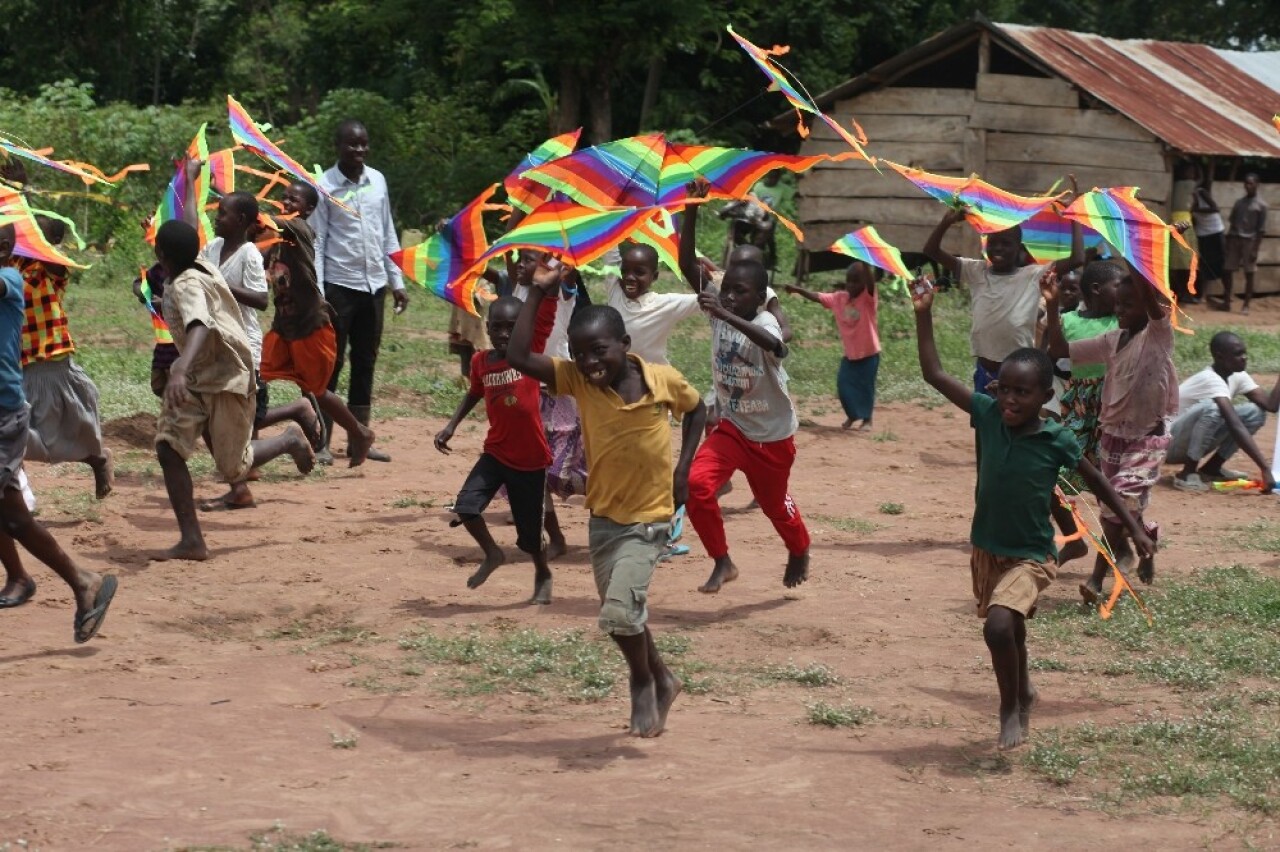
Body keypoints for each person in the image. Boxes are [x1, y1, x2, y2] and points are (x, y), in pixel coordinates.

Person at [912, 275, 1153, 749]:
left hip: (1031, 554)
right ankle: (1022, 688)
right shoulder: (985, 413)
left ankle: (1009, 708)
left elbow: (1100, 481)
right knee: (1012, 629)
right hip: (988, 550)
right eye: (1004, 390)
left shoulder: (1055, 437)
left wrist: (1135, 530)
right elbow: (934, 374)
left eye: (1022, 393)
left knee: (998, 625)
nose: (1009, 400)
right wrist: (923, 313)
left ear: (1045, 397)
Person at [506, 259, 706, 738]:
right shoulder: (576, 379)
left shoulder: (662, 380)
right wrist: (537, 291)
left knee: (619, 610)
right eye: (579, 354)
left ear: (625, 346)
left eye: (599, 351)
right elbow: (518, 357)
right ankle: (664, 677)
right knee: (623, 616)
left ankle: (641, 682)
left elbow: (699, 410)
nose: (590, 362)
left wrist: (684, 469)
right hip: (603, 521)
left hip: (651, 519)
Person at [924, 196, 1088, 564]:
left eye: (1006, 243)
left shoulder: (1033, 275)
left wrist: (1073, 215)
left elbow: (1077, 259)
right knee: (989, 460)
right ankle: (990, 526)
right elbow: (930, 249)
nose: (997, 249)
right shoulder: (975, 271)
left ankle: (1070, 534)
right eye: (992, 243)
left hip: (1023, 381)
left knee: (1032, 461)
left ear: (1020, 249)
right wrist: (949, 221)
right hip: (986, 376)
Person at [151, 220, 315, 561]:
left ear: (160, 254)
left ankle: (288, 440)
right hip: (197, 380)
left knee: (234, 468)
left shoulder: (186, 284)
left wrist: (180, 366)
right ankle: (192, 540)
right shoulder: (201, 261)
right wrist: (192, 177)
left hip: (226, 378)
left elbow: (199, 324)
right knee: (168, 448)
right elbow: (191, 223)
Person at [0, 222, 118, 641]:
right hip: (11, 397)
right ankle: (27, 578)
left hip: (16, 401)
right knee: (8, 512)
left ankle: (82, 582)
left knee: (14, 515)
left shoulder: (11, 279)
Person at [1044, 267, 1176, 601]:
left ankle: (1096, 580)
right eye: (1117, 305)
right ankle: (1144, 542)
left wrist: (1138, 255)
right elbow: (1059, 349)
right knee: (1116, 506)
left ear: (1148, 307)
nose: (1119, 311)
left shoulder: (1157, 336)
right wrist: (1051, 306)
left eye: (1128, 305)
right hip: (1111, 435)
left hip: (1147, 437)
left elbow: (1150, 297)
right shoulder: (1112, 340)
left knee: (1118, 505)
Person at [686, 260, 810, 594]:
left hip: (772, 439)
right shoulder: (719, 311)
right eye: (725, 290)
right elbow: (687, 265)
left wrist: (726, 315)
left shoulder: (766, 322)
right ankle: (722, 560)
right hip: (733, 427)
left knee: (774, 506)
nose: (727, 297)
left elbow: (775, 345)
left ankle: (799, 547)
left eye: (738, 291)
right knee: (696, 485)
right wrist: (692, 208)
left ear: (759, 297)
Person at [434, 293, 558, 603]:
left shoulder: (529, 356)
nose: (504, 335)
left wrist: (550, 288)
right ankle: (492, 553)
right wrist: (451, 425)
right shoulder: (480, 362)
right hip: (496, 453)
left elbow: (545, 319)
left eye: (512, 329)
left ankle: (542, 572)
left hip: (530, 460)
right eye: (498, 328)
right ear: (487, 328)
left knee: (530, 537)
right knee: (466, 506)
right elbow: (474, 393)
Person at [255, 181, 374, 474]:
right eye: (283, 197)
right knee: (255, 380)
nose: (286, 201)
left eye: (293, 199)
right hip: (283, 327)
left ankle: (359, 431)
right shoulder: (277, 243)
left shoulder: (301, 231)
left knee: (317, 390)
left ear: (308, 209)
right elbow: (257, 260)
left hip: (311, 326)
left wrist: (249, 211)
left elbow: (273, 221)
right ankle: (249, 460)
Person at [312, 120, 407, 463]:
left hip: (374, 286)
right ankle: (322, 441)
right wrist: (320, 293)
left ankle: (358, 439)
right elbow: (318, 241)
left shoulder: (377, 180)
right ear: (338, 146)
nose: (360, 151)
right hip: (339, 286)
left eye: (364, 144)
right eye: (353, 145)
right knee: (331, 363)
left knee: (366, 360)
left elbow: (387, 233)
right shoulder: (324, 186)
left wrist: (397, 282)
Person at [16, 216, 113, 498]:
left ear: (52, 244)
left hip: (48, 365)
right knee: (12, 436)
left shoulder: (50, 268)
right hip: (15, 365)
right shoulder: (11, 263)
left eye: (37, 232)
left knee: (48, 442)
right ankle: (18, 496)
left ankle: (95, 458)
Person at [1167, 332, 1280, 492]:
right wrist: (1265, 469)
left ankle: (1212, 469)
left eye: (1244, 353)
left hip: (1190, 443)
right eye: (1237, 354)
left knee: (1254, 412)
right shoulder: (1210, 379)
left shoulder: (1238, 376)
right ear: (1219, 357)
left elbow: (1270, 405)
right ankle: (1187, 473)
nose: (1244, 357)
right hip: (1169, 445)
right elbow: (1234, 424)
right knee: (1212, 408)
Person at [785, 261, 880, 430]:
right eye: (848, 281)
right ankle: (852, 415)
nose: (851, 285)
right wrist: (798, 290)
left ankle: (867, 420)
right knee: (843, 386)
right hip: (850, 354)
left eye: (856, 281)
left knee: (865, 387)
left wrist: (866, 265)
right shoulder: (839, 298)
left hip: (869, 353)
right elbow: (817, 297)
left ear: (864, 283)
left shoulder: (867, 299)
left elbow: (871, 283)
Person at [1057, 261, 1123, 467]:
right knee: (1072, 453)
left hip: (1114, 397)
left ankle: (1110, 496)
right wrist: (1051, 306)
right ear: (1096, 289)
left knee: (1110, 455)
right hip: (1080, 396)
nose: (1124, 293)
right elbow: (1053, 352)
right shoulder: (1068, 320)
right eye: (1118, 286)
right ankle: (1063, 497)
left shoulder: (1122, 320)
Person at [1215, 173, 1267, 314]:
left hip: (1250, 241)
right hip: (1234, 239)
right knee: (1227, 270)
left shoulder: (1261, 205)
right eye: (1246, 183)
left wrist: (1255, 249)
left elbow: (1261, 230)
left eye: (1250, 183)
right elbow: (1232, 223)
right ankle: (1227, 301)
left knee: (1249, 273)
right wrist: (1228, 241)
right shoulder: (1239, 202)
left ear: (1257, 184)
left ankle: (1246, 305)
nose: (1247, 186)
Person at [132, 263, 180, 398]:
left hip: (184, 342)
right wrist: (142, 291)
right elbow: (138, 283)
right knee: (158, 384)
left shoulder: (191, 272)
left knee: (177, 390)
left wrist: (164, 302)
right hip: (165, 341)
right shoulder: (158, 270)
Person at [1192, 179, 1225, 294]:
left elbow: (1215, 208)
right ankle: (1204, 295)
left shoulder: (1201, 192)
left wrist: (1197, 209)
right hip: (1202, 233)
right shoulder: (1187, 199)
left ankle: (1226, 293)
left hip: (1215, 230)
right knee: (1205, 264)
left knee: (1221, 261)